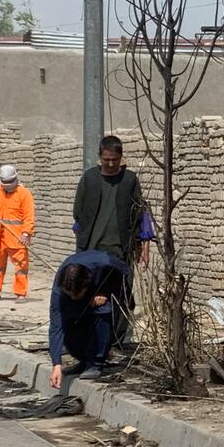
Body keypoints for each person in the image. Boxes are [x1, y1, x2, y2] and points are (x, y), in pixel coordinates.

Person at [72, 136, 145, 342]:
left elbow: (138, 212)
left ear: (121, 158)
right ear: (100, 157)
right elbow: (78, 211)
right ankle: (87, 337)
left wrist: (139, 242)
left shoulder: (129, 180)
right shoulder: (90, 178)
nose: (111, 164)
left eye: (114, 159)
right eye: (106, 159)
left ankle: (116, 339)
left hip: (121, 249)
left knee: (121, 292)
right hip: (91, 248)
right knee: (88, 291)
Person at [47, 250, 129, 389]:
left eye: (76, 294)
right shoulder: (59, 293)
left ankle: (96, 362)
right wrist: (56, 364)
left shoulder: (103, 262)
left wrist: (106, 291)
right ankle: (85, 360)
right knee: (69, 327)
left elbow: (125, 270)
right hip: (80, 297)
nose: (73, 298)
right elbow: (56, 328)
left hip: (100, 291)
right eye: (69, 295)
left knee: (102, 311)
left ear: (86, 284)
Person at [0, 165, 35, 300]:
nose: (8, 185)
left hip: (17, 237)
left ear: (16, 178)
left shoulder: (24, 193)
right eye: (6, 183)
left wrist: (26, 233)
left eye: (10, 182)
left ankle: (20, 293)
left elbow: (29, 216)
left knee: (21, 266)